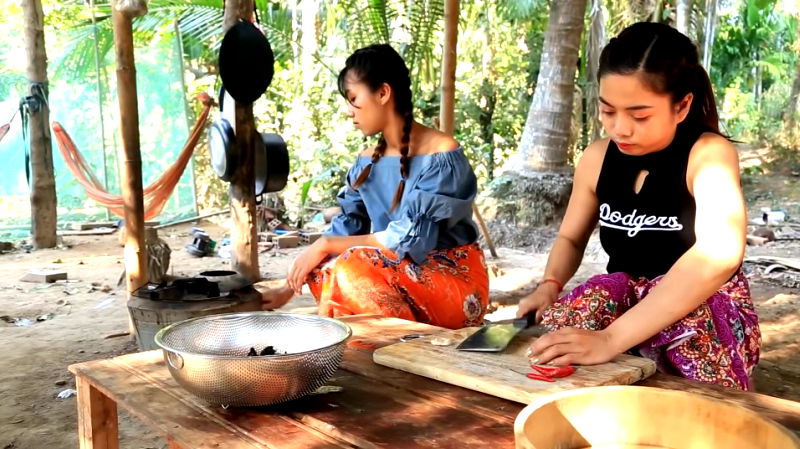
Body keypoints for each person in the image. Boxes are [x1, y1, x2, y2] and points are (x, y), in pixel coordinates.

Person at [518, 22, 761, 390]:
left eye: (639, 115)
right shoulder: (597, 158)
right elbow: (570, 237)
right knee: (552, 358)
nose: (620, 129)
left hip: (698, 304)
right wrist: (550, 284)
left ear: (681, 106)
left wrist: (612, 339)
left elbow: (718, 256)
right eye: (607, 111)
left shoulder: (708, 154)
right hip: (623, 300)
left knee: (688, 393)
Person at [262, 44, 489, 329]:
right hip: (398, 276)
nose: (348, 111)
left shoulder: (442, 154)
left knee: (349, 266)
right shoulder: (366, 161)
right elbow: (347, 225)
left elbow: (410, 240)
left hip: (453, 282)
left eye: (353, 98)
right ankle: (382, 345)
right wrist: (289, 285)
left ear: (383, 93)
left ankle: (389, 346)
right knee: (324, 269)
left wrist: (327, 244)